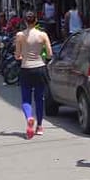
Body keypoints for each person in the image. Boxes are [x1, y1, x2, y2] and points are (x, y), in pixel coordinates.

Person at [15, 11, 52, 139]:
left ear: (25, 21)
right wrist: (41, 54)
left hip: (26, 68)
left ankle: (29, 117)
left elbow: (17, 55)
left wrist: (23, 55)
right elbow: (49, 54)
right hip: (40, 68)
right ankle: (40, 126)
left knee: (26, 99)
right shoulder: (43, 35)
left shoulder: (20, 35)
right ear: (36, 21)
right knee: (39, 98)